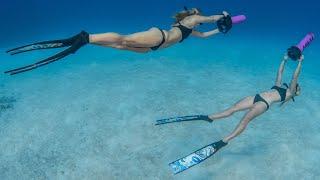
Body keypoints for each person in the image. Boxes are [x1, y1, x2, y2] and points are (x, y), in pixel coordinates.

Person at [5, 9, 232, 75]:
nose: (200, 21)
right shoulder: (191, 20)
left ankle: (84, 42)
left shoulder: (192, 32)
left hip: (152, 49)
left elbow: (204, 36)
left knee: (119, 45)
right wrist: (222, 16)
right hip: (158, 37)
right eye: (197, 17)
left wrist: (220, 31)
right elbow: (208, 18)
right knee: (123, 39)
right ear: (192, 15)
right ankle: (87, 37)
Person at [156, 54, 303, 148]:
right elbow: (280, 73)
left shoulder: (290, 93)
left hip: (262, 104)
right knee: (232, 109)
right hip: (256, 97)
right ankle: (210, 117)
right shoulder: (278, 86)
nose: (293, 84)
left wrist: (300, 63)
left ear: (295, 91)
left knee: (244, 121)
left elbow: (294, 77)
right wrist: (283, 60)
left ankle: (226, 139)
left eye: (295, 86)